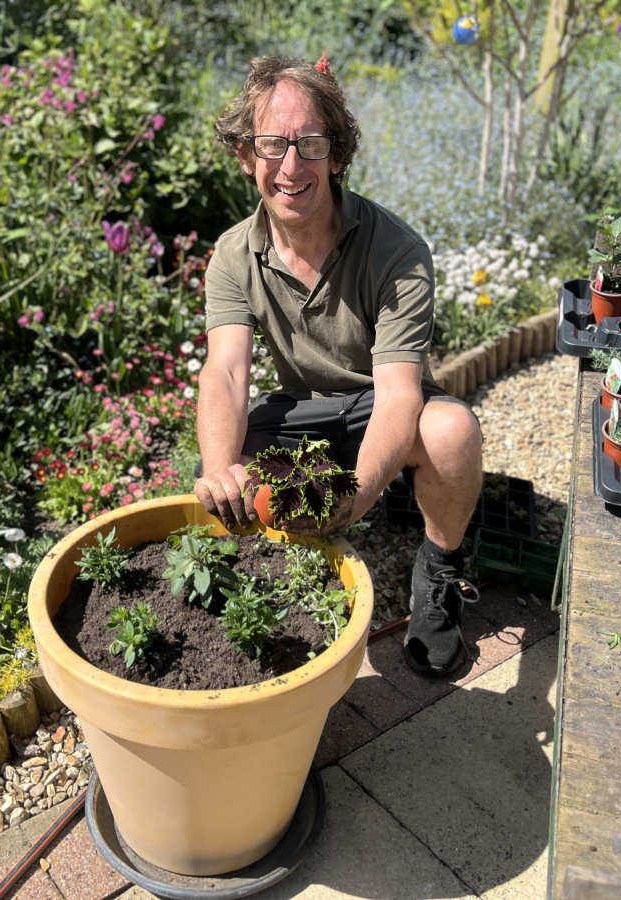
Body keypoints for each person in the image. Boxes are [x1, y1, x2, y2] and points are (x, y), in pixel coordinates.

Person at [192, 56, 484, 678]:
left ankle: (439, 570)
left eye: (311, 144)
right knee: (225, 473)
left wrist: (355, 498)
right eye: (272, 144)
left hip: (379, 398)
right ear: (247, 156)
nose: (291, 167)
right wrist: (222, 471)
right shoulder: (232, 255)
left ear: (337, 154)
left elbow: (401, 396)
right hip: (301, 408)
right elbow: (225, 375)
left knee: (451, 433)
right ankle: (264, 585)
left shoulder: (396, 251)